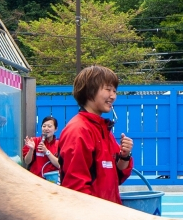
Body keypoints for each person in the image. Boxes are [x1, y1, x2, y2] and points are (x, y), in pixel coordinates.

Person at [57, 65, 134, 204]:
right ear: (89, 92)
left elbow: (116, 177)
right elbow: (76, 190)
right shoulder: (78, 131)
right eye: (108, 89)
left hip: (107, 214)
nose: (113, 96)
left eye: (115, 91)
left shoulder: (103, 129)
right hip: (92, 219)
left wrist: (125, 156)